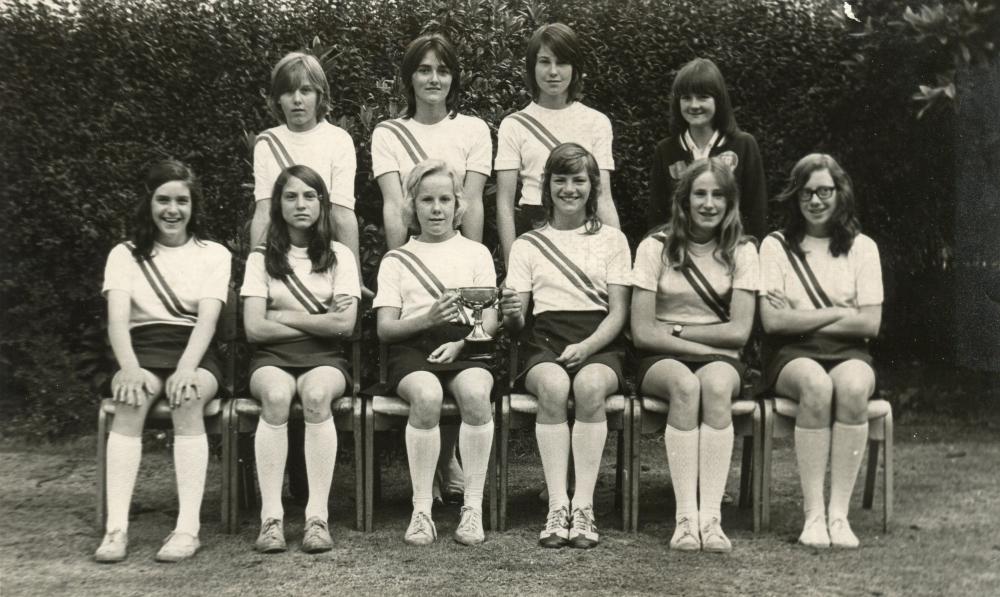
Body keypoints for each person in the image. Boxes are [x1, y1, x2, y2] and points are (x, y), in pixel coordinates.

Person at [372, 33, 494, 503]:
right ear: (409, 78)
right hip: (413, 257)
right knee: (423, 371)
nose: (433, 78)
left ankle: (451, 470)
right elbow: (391, 204)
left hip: (461, 259)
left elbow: (475, 203)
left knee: (461, 365)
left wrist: (470, 275)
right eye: (424, 69)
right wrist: (405, 258)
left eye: (442, 70)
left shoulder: (474, 129)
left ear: (453, 78)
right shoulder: (388, 133)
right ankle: (441, 470)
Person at [95, 160, 231, 563]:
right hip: (140, 350)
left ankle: (187, 529)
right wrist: (129, 368)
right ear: (149, 203)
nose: (172, 210)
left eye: (182, 201)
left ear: (194, 206)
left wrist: (188, 368)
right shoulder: (124, 254)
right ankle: (116, 529)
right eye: (163, 200)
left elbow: (207, 320)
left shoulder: (214, 254)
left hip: (193, 350)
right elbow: (117, 320)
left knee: (187, 399)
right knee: (130, 400)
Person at [499, 143, 631, 549]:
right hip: (544, 340)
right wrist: (511, 312)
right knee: (554, 387)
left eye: (579, 180)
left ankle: (585, 507)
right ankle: (557, 505)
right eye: (561, 180)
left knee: (590, 387)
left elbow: (618, 313)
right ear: (546, 186)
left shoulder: (613, 240)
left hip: (599, 339)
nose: (570, 189)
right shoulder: (527, 244)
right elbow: (519, 321)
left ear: (593, 186)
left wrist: (589, 347)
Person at [630, 158, 758, 553]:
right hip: (660, 358)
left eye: (718, 195)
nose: (708, 203)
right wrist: (705, 346)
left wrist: (681, 330)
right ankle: (685, 518)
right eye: (699, 194)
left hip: (717, 358)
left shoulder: (743, 250)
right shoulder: (655, 246)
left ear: (730, 201)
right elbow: (642, 331)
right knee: (686, 387)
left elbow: (740, 330)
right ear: (683, 200)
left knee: (716, 387)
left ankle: (711, 518)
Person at [759, 153, 883, 549]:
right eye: (807, 192)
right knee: (815, 385)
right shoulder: (776, 246)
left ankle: (838, 515)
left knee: (850, 388)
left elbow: (869, 324)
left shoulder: (863, 248)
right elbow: (774, 324)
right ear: (795, 197)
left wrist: (803, 313)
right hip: (792, 354)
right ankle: (813, 515)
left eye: (824, 191)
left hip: (850, 352)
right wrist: (835, 312)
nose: (815, 200)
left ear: (839, 193)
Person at [373, 159, 497, 546]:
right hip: (412, 348)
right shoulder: (396, 260)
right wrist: (426, 319)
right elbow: (385, 329)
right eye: (427, 200)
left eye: (445, 199)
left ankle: (472, 508)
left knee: (477, 394)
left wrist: (463, 341)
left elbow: (490, 317)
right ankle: (422, 509)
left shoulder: (476, 253)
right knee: (426, 396)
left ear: (459, 203)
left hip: (466, 345)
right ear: (412, 205)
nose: (437, 208)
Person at [241, 165, 361, 554]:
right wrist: (319, 321)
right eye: (291, 196)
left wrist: (284, 316)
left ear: (323, 204)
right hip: (271, 358)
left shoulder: (340, 254)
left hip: (326, 358)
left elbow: (345, 325)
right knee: (275, 397)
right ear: (277, 204)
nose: (301, 204)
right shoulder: (261, 258)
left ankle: (316, 517)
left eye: (310, 196)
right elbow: (254, 330)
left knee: (315, 397)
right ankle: (271, 518)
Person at [495, 22, 620, 265]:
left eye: (562, 62)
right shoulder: (514, 124)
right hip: (534, 232)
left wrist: (618, 260)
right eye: (544, 62)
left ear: (575, 68)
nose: (553, 71)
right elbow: (504, 203)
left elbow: (603, 197)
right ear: (532, 67)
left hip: (584, 231)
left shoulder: (596, 122)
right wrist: (513, 266)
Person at [250, 52, 361, 284]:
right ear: (277, 98)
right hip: (281, 258)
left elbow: (341, 214)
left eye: (306, 90)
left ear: (320, 96)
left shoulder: (338, 139)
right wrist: (255, 275)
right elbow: (264, 212)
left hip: (324, 255)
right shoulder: (267, 142)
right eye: (288, 92)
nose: (297, 100)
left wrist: (355, 279)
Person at [647, 58, 767, 240]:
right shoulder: (666, 150)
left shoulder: (743, 145)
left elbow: (756, 212)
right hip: (682, 258)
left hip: (732, 253)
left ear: (718, 100)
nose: (694, 105)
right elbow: (658, 216)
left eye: (703, 97)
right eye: (686, 98)